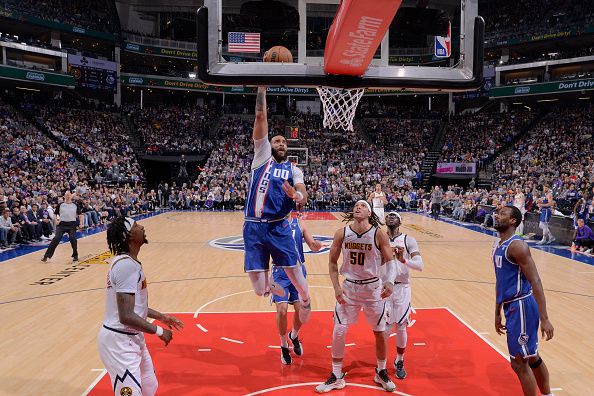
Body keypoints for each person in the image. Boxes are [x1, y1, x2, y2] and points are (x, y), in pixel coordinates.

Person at [243, 86, 311, 324]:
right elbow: (260, 116)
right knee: (260, 290)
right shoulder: (261, 156)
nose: (281, 143)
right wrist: (262, 88)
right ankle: (275, 290)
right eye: (277, 140)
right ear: (269, 145)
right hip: (253, 226)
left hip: (278, 226)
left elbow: (302, 192)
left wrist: (298, 197)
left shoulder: (294, 169)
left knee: (296, 276)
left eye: (284, 142)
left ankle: (305, 298)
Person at [316, 201, 397, 393]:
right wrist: (336, 286)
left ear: (369, 211)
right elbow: (332, 263)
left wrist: (390, 281)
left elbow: (391, 262)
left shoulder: (378, 233)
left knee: (380, 332)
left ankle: (381, 371)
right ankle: (336, 375)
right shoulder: (342, 233)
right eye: (356, 205)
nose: (357, 207)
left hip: (373, 289)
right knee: (339, 330)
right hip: (349, 289)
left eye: (362, 205)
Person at [98, 216, 184, 396]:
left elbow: (135, 307)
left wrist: (161, 316)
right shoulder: (126, 267)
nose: (142, 226)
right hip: (119, 342)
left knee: (149, 386)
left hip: (132, 337)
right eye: (136, 226)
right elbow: (126, 316)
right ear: (128, 235)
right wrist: (159, 331)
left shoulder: (128, 263)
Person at [492, 206, 555, 396]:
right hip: (511, 306)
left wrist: (544, 318)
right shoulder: (499, 244)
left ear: (513, 221)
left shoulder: (517, 245)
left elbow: (536, 281)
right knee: (532, 356)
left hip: (521, 305)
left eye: (502, 214)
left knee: (519, 363)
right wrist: (497, 311)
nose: (497, 215)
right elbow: (500, 280)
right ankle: (548, 395)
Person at [271, 211, 323, 365]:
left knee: (301, 310)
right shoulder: (272, 224)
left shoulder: (299, 223)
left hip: (298, 271)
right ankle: (283, 344)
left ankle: (294, 336)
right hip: (279, 272)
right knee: (282, 310)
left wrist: (317, 246)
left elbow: (312, 245)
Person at [382, 211, 424, 380]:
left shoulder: (409, 240)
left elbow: (420, 265)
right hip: (383, 288)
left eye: (394, 216)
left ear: (399, 221)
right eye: (388, 216)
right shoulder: (379, 238)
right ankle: (382, 364)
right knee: (383, 329)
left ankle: (399, 360)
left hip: (401, 288)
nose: (390, 217)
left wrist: (403, 260)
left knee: (400, 327)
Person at [41, 191, 81, 262]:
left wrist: (81, 223)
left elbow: (80, 215)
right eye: (66, 195)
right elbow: (55, 214)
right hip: (61, 225)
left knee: (72, 239)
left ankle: (75, 255)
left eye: (69, 195)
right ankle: (46, 256)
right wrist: (56, 220)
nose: (68, 196)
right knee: (56, 238)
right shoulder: (60, 205)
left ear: (71, 196)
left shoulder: (75, 205)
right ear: (64, 196)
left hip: (72, 225)